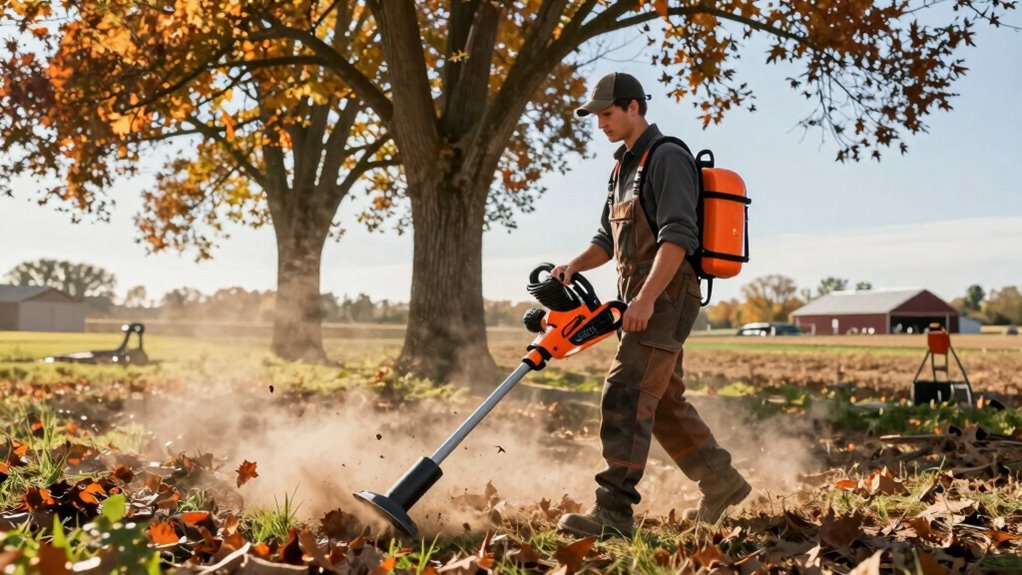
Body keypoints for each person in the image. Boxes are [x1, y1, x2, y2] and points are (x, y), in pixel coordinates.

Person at [553, 72, 750, 539]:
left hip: (665, 295)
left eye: (607, 113)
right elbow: (607, 238)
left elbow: (678, 237)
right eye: (597, 115)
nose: (600, 122)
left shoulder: (667, 158)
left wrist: (644, 299)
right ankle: (721, 481)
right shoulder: (621, 167)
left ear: (634, 108)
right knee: (660, 401)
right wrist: (574, 266)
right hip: (636, 295)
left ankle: (613, 513)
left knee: (625, 392)